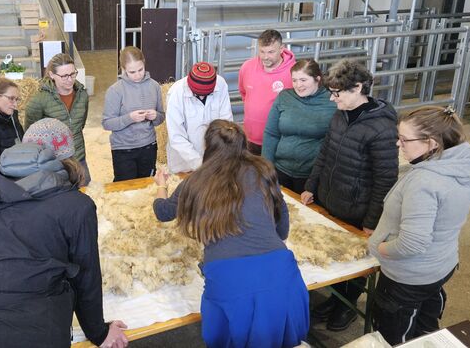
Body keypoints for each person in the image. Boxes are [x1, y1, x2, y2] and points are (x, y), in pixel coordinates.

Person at [0, 120, 129, 348]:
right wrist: (99, 332)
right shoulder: (76, 206)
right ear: (66, 158)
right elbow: (85, 276)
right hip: (38, 329)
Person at [153, 120, 309, 348]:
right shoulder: (263, 171)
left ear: (208, 147)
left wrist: (161, 185)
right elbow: (282, 225)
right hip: (283, 275)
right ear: (243, 145)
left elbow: (162, 211)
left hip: (231, 282)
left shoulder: (195, 182)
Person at [300, 59, 399, 331]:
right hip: (332, 200)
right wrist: (311, 186)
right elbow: (325, 152)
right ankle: (336, 299)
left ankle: (348, 305)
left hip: (358, 208)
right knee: (335, 258)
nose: (332, 99)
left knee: (354, 262)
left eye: (337, 93)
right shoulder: (341, 114)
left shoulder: (381, 127)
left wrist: (372, 220)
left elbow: (385, 179)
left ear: (357, 88)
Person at [368, 106, 470, 345]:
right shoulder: (458, 165)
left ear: (432, 143)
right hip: (440, 265)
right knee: (426, 327)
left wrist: (380, 248)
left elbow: (412, 243)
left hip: (409, 276)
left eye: (404, 139)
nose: (398, 144)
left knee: (394, 334)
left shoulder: (424, 182)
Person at [262, 59, 336, 194]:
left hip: (312, 176)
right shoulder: (284, 97)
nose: (298, 85)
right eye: (294, 80)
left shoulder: (332, 101)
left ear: (317, 79)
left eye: (303, 80)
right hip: (280, 170)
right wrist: (267, 167)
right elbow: (271, 134)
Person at [25, 53, 90, 184]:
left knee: (85, 188)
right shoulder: (38, 100)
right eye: (64, 76)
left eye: (73, 74)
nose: (70, 79)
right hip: (53, 162)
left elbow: (80, 124)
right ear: (52, 75)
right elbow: (30, 134)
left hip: (78, 156)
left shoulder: (82, 94)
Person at [102, 46, 165, 181]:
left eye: (140, 70)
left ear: (144, 63)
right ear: (123, 69)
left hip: (148, 145)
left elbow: (161, 117)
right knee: (126, 187)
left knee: (147, 184)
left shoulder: (154, 86)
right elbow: (107, 123)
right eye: (132, 72)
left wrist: (155, 116)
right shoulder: (115, 90)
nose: (137, 75)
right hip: (123, 149)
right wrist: (130, 118)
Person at [165, 62, 233, 173]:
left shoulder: (220, 84)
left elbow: (226, 122)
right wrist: (199, 164)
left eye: (207, 94)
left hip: (214, 159)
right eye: (197, 94)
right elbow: (177, 136)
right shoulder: (176, 93)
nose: (202, 97)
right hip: (184, 163)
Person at [238, 29, 297, 155]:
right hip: (249, 138)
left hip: (278, 140)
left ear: (281, 49)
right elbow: (244, 93)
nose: (265, 57)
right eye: (262, 51)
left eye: (271, 52)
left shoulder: (294, 72)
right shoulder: (247, 67)